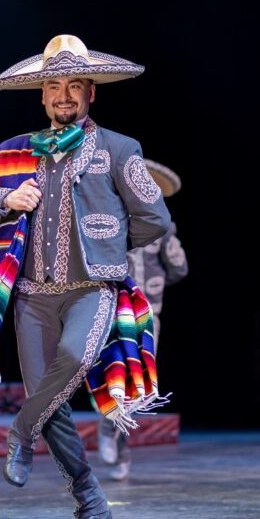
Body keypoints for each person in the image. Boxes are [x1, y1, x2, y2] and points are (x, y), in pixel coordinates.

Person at [0, 35, 171, 519]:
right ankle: (91, 505)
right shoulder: (16, 151)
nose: (64, 95)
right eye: (54, 86)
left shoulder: (120, 149)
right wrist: (6, 198)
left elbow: (155, 218)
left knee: (71, 360)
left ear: (91, 91)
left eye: (74, 85)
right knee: (50, 402)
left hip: (91, 289)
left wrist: (111, 245)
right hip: (31, 294)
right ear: (43, 95)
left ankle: (18, 431)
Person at [98, 158, 188, 480]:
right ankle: (108, 429)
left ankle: (121, 447)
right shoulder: (110, 219)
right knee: (114, 376)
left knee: (136, 384)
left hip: (148, 313)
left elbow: (179, 268)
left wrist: (162, 265)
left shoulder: (163, 226)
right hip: (109, 308)